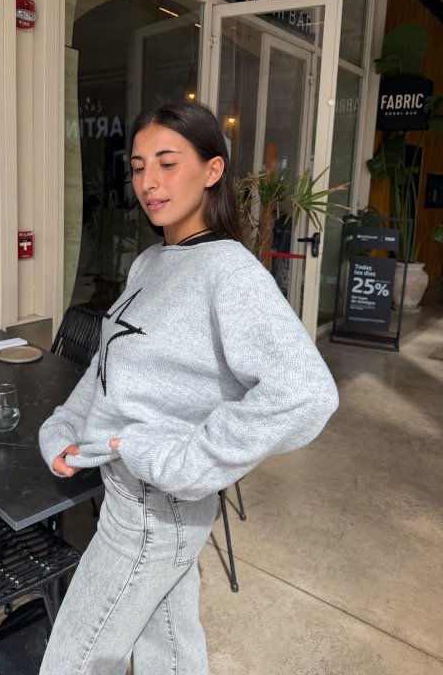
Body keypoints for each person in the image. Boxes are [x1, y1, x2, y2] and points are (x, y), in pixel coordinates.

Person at [38, 101, 338, 675]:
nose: (148, 182)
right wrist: (66, 425)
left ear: (212, 169)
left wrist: (181, 460)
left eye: (168, 163)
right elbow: (112, 362)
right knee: (169, 650)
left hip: (154, 509)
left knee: (72, 660)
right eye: (138, 167)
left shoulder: (230, 271)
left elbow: (305, 392)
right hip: (133, 495)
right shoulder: (151, 261)